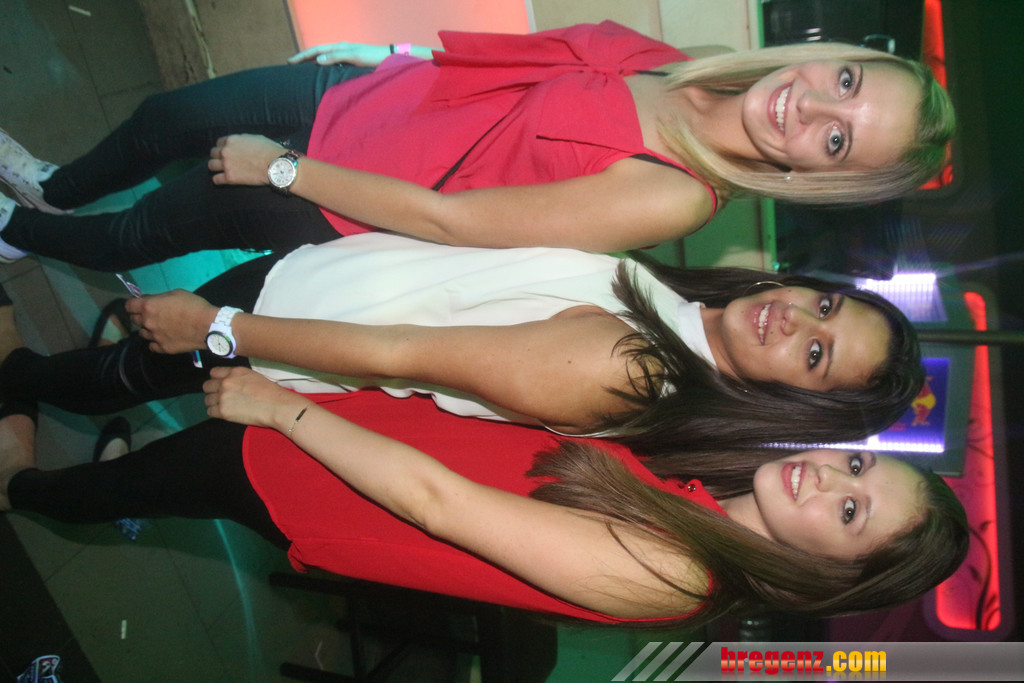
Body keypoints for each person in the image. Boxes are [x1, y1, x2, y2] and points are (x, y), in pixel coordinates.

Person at [0, 367, 968, 625]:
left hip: (321, 479)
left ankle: (24, 483)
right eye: (856, 466)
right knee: (166, 472)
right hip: (348, 450)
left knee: (155, 479)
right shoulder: (704, 505)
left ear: (833, 572)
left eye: (850, 511)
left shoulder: (679, 569)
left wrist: (284, 411)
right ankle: (98, 474)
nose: (828, 475)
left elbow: (442, 506)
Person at [0, 21, 954, 269]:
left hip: (334, 188)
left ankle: (20, 233)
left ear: (818, 177)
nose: (807, 108)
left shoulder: (672, 193)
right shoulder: (704, 66)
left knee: (150, 230)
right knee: (165, 115)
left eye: (838, 140)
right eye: (846, 83)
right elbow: (526, 73)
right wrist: (394, 56)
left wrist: (282, 168)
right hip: (375, 95)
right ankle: (57, 184)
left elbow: (453, 222)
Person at [0, 233, 922, 455]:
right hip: (313, 289)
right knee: (125, 367)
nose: (796, 321)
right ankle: (28, 382)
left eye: (815, 356)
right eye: (825, 307)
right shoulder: (674, 306)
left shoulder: (638, 367)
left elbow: (404, 355)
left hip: (292, 330)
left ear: (794, 402)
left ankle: (18, 381)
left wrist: (222, 328)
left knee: (118, 371)